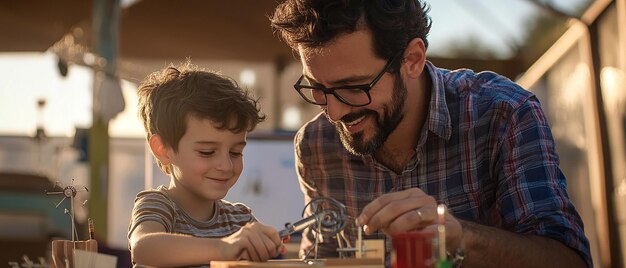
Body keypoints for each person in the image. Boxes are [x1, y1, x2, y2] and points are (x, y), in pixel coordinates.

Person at [270, 1, 592, 267]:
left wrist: (458, 236)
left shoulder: (503, 114)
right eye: (317, 88)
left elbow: (568, 259)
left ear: (412, 59)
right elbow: (321, 258)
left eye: (353, 88)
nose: (335, 113)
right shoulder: (315, 145)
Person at [128, 62, 283, 267]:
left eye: (236, 152)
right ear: (162, 149)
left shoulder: (240, 220)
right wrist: (223, 248)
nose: (226, 166)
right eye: (207, 152)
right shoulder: (159, 207)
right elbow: (143, 247)